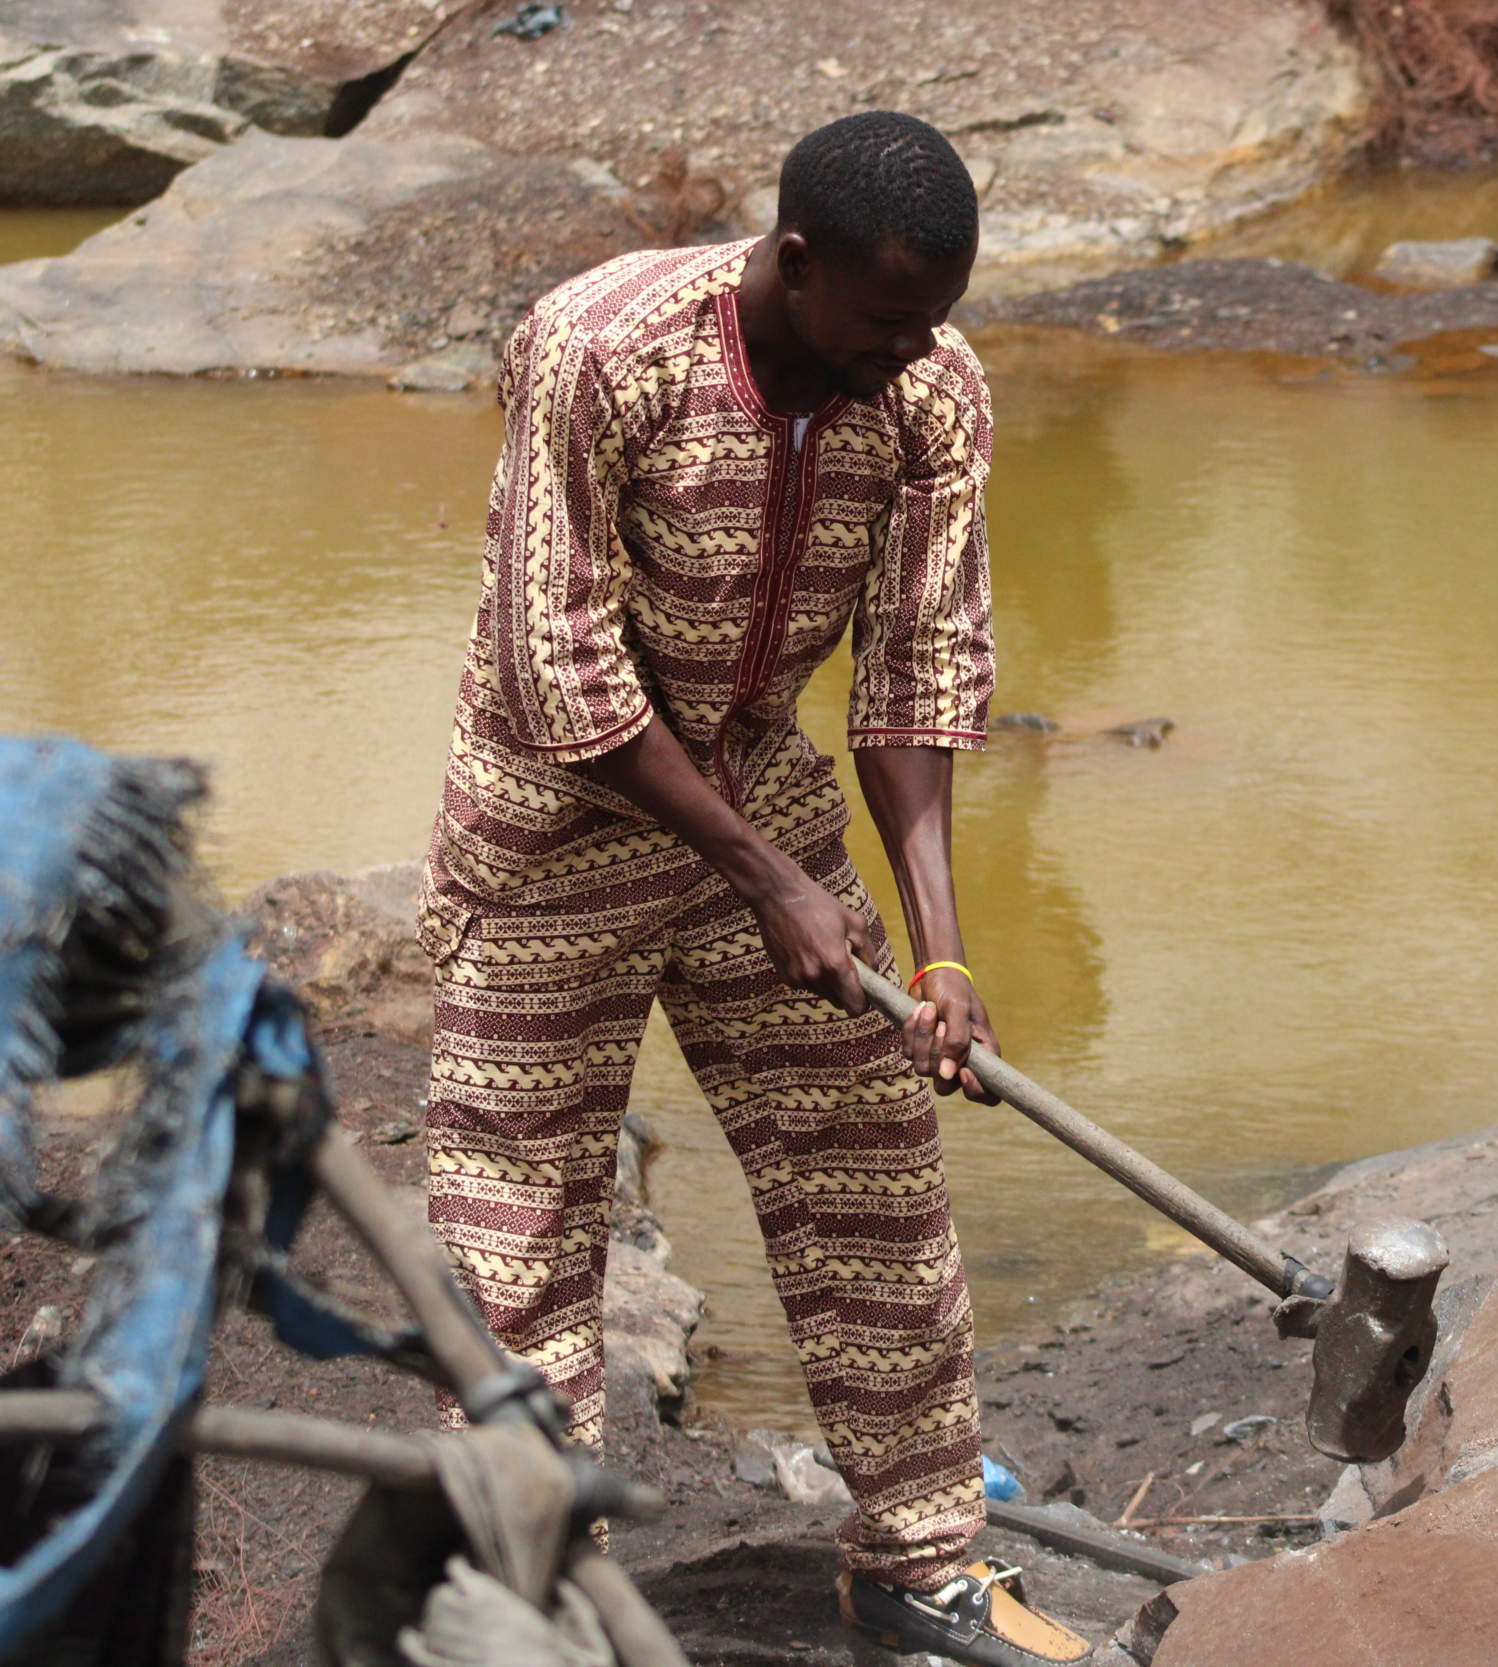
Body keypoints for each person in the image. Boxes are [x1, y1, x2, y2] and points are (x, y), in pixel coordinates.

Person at [416, 111, 1087, 1667]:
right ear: (795, 262)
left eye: (935, 321)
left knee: (875, 1190)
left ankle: (921, 1574)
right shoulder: (603, 350)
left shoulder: (930, 387)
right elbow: (557, 671)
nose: (909, 354)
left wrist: (939, 956)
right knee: (515, 1261)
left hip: (759, 794)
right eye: (884, 320)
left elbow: (919, 669)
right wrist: (768, 875)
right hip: (552, 833)